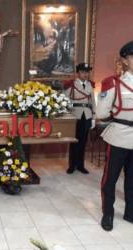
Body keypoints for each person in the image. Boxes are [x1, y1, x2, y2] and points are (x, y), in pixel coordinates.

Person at [97, 41, 133, 231]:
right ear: (125, 61)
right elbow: (101, 113)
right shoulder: (113, 83)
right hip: (119, 136)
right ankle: (108, 213)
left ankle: (130, 212)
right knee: (110, 178)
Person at [64, 63, 96, 174]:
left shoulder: (91, 85)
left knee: (83, 142)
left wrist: (93, 117)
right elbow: (65, 100)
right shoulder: (71, 84)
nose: (86, 74)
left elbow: (93, 102)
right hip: (75, 115)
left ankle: (81, 165)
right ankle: (72, 166)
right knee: (74, 142)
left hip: (87, 115)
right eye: (83, 72)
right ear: (78, 73)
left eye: (87, 72)